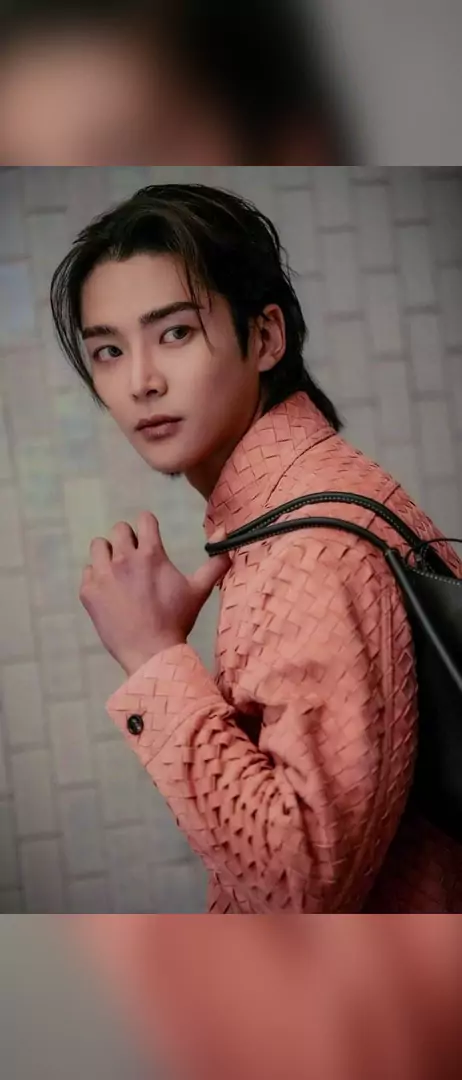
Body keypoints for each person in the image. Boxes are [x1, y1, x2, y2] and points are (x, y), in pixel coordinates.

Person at [50, 182, 462, 914]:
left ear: (266, 337)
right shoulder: (300, 507)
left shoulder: (309, 548)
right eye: (108, 350)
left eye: (175, 333)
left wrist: (151, 657)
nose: (140, 382)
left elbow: (302, 887)